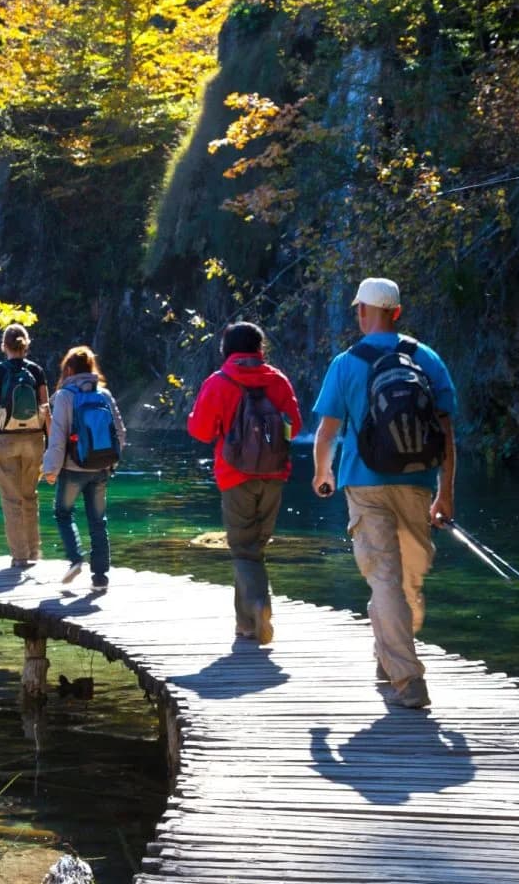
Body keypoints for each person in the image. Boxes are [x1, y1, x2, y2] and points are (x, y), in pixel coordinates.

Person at [311, 277, 458, 710]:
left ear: (362, 312)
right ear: (397, 312)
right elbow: (448, 435)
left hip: (365, 483)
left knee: (385, 580)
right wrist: (444, 493)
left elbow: (327, 431)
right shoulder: (427, 358)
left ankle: (408, 679)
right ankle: (389, 655)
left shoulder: (346, 362)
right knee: (407, 575)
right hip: (416, 483)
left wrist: (323, 473)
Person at [186, 321, 302, 645]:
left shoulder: (219, 382)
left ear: (226, 349)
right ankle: (247, 625)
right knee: (255, 548)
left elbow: (201, 431)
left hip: (235, 476)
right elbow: (296, 423)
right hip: (275, 475)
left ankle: (257, 608)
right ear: (259, 349)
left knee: (243, 549)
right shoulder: (277, 380)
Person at [42, 346, 126, 591]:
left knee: (63, 513)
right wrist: (112, 462)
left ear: (68, 369)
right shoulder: (105, 395)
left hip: (72, 469)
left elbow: (58, 437)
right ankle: (100, 578)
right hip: (100, 468)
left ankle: (76, 559)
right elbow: (120, 433)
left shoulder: (65, 396)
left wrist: (50, 469)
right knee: (98, 521)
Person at [0, 323, 50, 568]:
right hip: (34, 439)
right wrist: (51, 443)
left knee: (11, 499)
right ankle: (33, 554)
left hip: (6, 439)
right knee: (30, 496)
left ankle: (20, 557)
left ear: (4, 345)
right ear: (26, 345)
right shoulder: (37, 370)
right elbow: (45, 409)